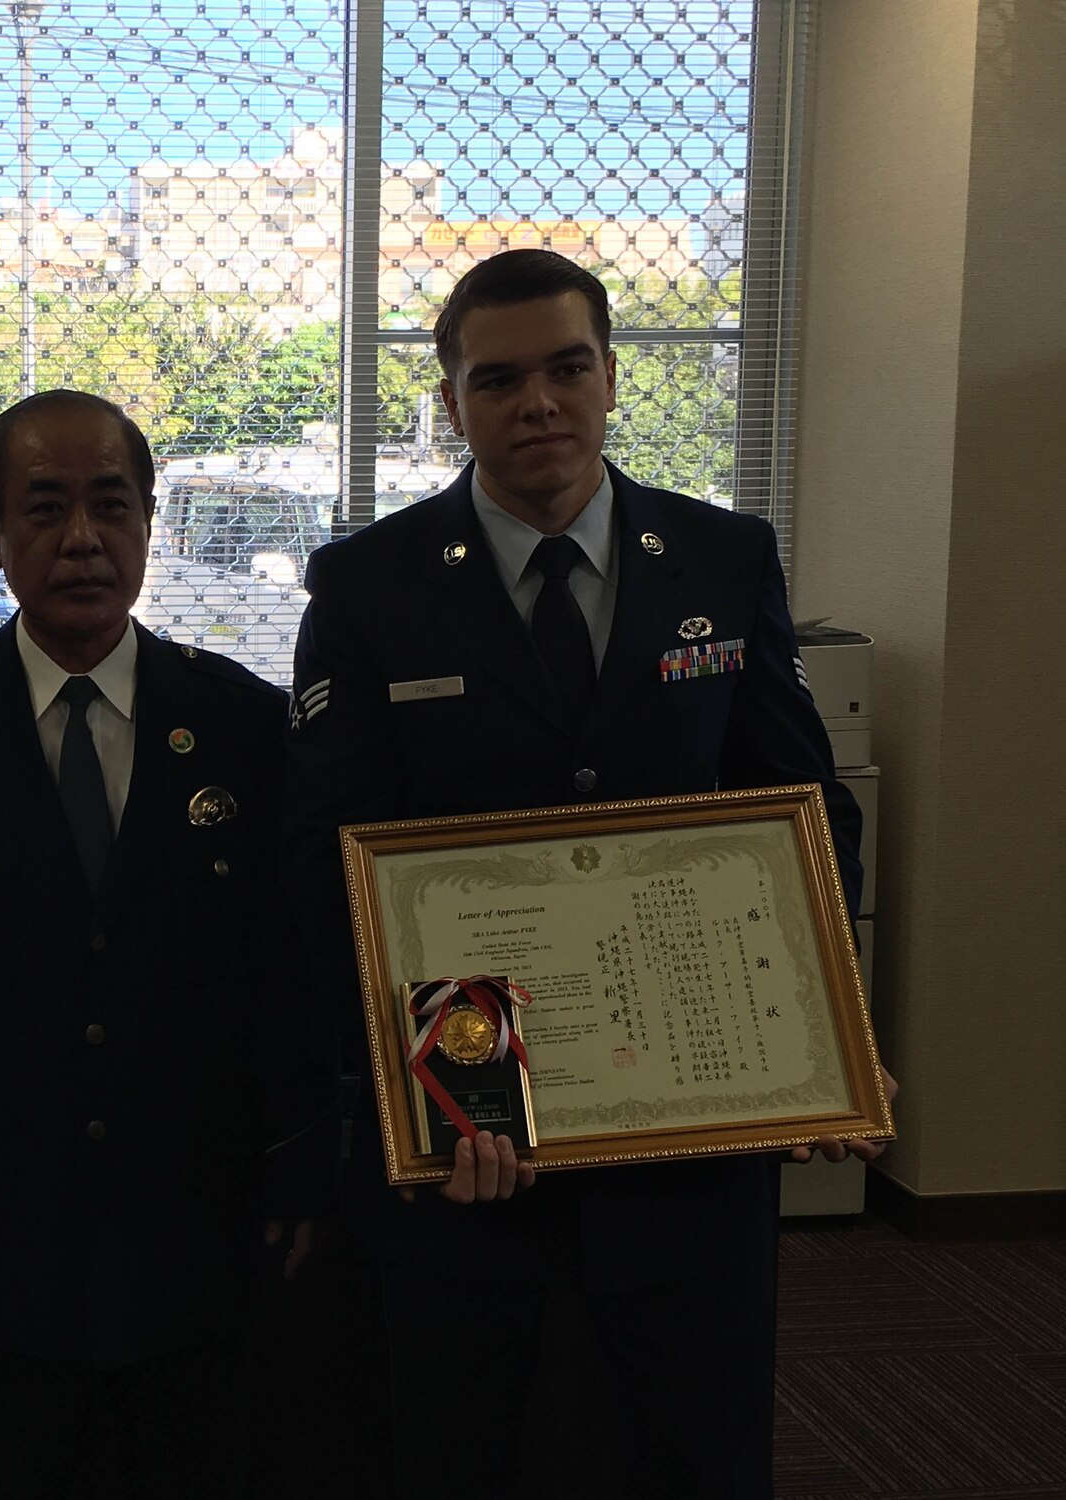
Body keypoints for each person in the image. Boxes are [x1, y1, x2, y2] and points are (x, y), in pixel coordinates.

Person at [283, 249, 889, 1498]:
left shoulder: (723, 558)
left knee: (693, 1442)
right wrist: (452, 1087)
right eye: (495, 379)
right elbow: (332, 857)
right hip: (466, 1135)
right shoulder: (367, 583)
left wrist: (824, 1031)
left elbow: (800, 808)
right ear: (448, 404)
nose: (537, 404)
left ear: (611, 376)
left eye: (566, 368)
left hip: (687, 1133)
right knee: (460, 1445)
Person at [0, 389, 335, 1495]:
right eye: (44, 508)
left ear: (150, 520)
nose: (81, 540)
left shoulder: (242, 724)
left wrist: (298, 1164)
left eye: (111, 506)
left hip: (187, 1207)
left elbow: (280, 972)